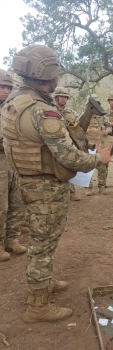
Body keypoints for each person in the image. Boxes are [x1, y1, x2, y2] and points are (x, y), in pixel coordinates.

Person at [1, 44, 111, 322]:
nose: (57, 76)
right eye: (55, 69)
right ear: (46, 72)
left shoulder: (15, 99)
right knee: (42, 242)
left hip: (30, 181)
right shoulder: (42, 111)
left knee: (44, 240)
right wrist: (99, 159)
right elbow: (70, 157)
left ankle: (43, 285)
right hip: (45, 187)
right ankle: (37, 306)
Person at [0, 69, 27, 262]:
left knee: (17, 201)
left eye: (8, 87)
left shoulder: (11, 109)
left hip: (13, 159)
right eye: (2, 86)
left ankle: (12, 240)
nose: (5, 90)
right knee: (1, 205)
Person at [54, 86, 80, 201]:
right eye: (61, 97)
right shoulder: (50, 110)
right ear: (56, 97)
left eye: (65, 97)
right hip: (54, 144)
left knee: (69, 166)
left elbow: (77, 128)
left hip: (69, 144)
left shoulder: (71, 113)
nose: (64, 99)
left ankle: (71, 191)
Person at [84, 94, 113, 195]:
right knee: (88, 166)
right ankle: (88, 187)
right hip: (88, 145)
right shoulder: (84, 116)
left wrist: (107, 131)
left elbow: (109, 127)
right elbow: (78, 128)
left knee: (102, 166)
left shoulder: (103, 116)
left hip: (100, 144)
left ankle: (102, 186)